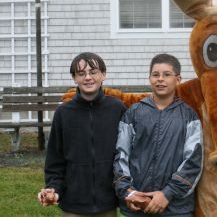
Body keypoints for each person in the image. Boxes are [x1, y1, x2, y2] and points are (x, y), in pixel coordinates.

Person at [113, 53, 203, 217]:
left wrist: (167, 193)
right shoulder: (133, 113)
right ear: (150, 78)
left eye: (167, 74)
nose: (160, 79)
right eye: (155, 75)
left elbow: (193, 161)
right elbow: (121, 155)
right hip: (137, 205)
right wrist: (129, 192)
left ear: (178, 79)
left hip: (175, 208)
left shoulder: (189, 116)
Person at [37, 52, 126, 217]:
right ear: (74, 78)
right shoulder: (63, 113)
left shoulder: (117, 109)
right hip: (73, 205)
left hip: (107, 203)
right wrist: (54, 189)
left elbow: (127, 154)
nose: (88, 77)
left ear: (103, 75)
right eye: (81, 73)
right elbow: (55, 161)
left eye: (93, 72)